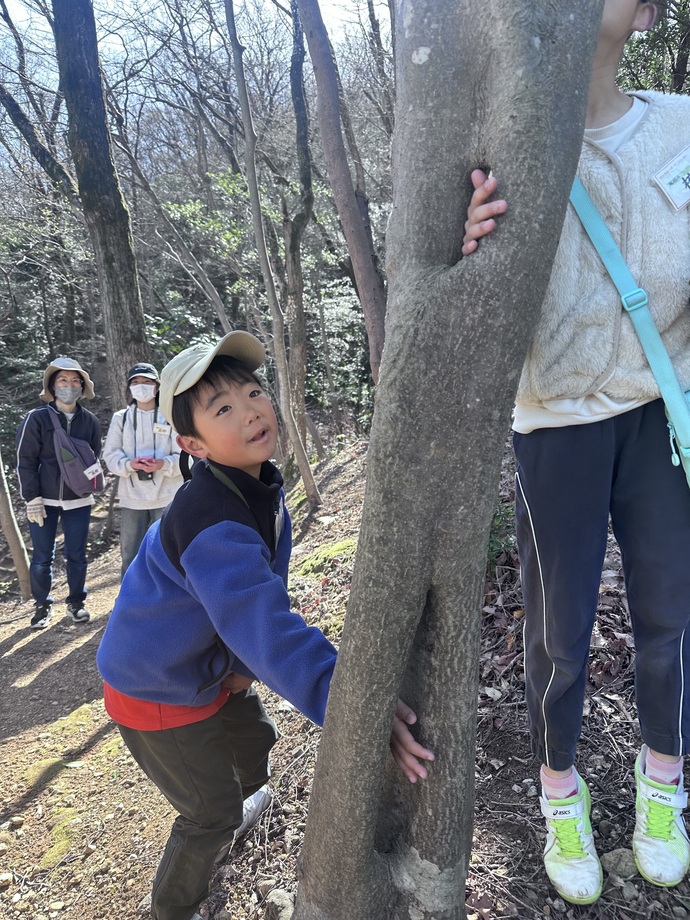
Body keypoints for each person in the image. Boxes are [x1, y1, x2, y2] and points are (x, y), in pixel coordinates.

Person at [463, 0, 690, 906]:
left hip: (662, 412)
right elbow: (454, 294)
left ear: (643, 16)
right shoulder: (501, 145)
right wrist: (464, 240)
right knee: (560, 631)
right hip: (552, 418)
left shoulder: (679, 122)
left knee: (672, 617)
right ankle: (561, 791)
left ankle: (662, 786)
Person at [96, 331, 435, 920]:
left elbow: (250, 604)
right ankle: (173, 907)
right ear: (191, 443)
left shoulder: (255, 482)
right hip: (154, 689)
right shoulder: (210, 519)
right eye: (222, 408)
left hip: (201, 669)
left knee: (256, 737)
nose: (251, 410)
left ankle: (245, 798)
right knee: (209, 816)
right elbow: (265, 622)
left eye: (253, 392)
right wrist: (357, 707)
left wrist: (237, 667)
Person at [16, 357, 102, 629]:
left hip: (79, 500)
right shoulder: (36, 418)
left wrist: (89, 486)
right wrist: (32, 498)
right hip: (43, 500)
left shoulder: (90, 421)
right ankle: (42, 606)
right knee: (43, 556)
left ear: (82, 386)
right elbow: (25, 460)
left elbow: (93, 457)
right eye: (63, 380)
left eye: (75, 380)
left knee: (76, 554)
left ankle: (76, 603)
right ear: (52, 386)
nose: (69, 385)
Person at [103, 363, 183, 579]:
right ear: (129, 388)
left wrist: (163, 464)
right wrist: (130, 464)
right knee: (130, 553)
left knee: (170, 550)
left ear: (157, 387)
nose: (141, 386)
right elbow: (110, 455)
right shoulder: (121, 418)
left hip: (168, 495)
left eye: (147, 382)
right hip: (132, 498)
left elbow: (186, 455)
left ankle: (174, 599)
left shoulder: (170, 415)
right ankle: (130, 604)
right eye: (136, 382)